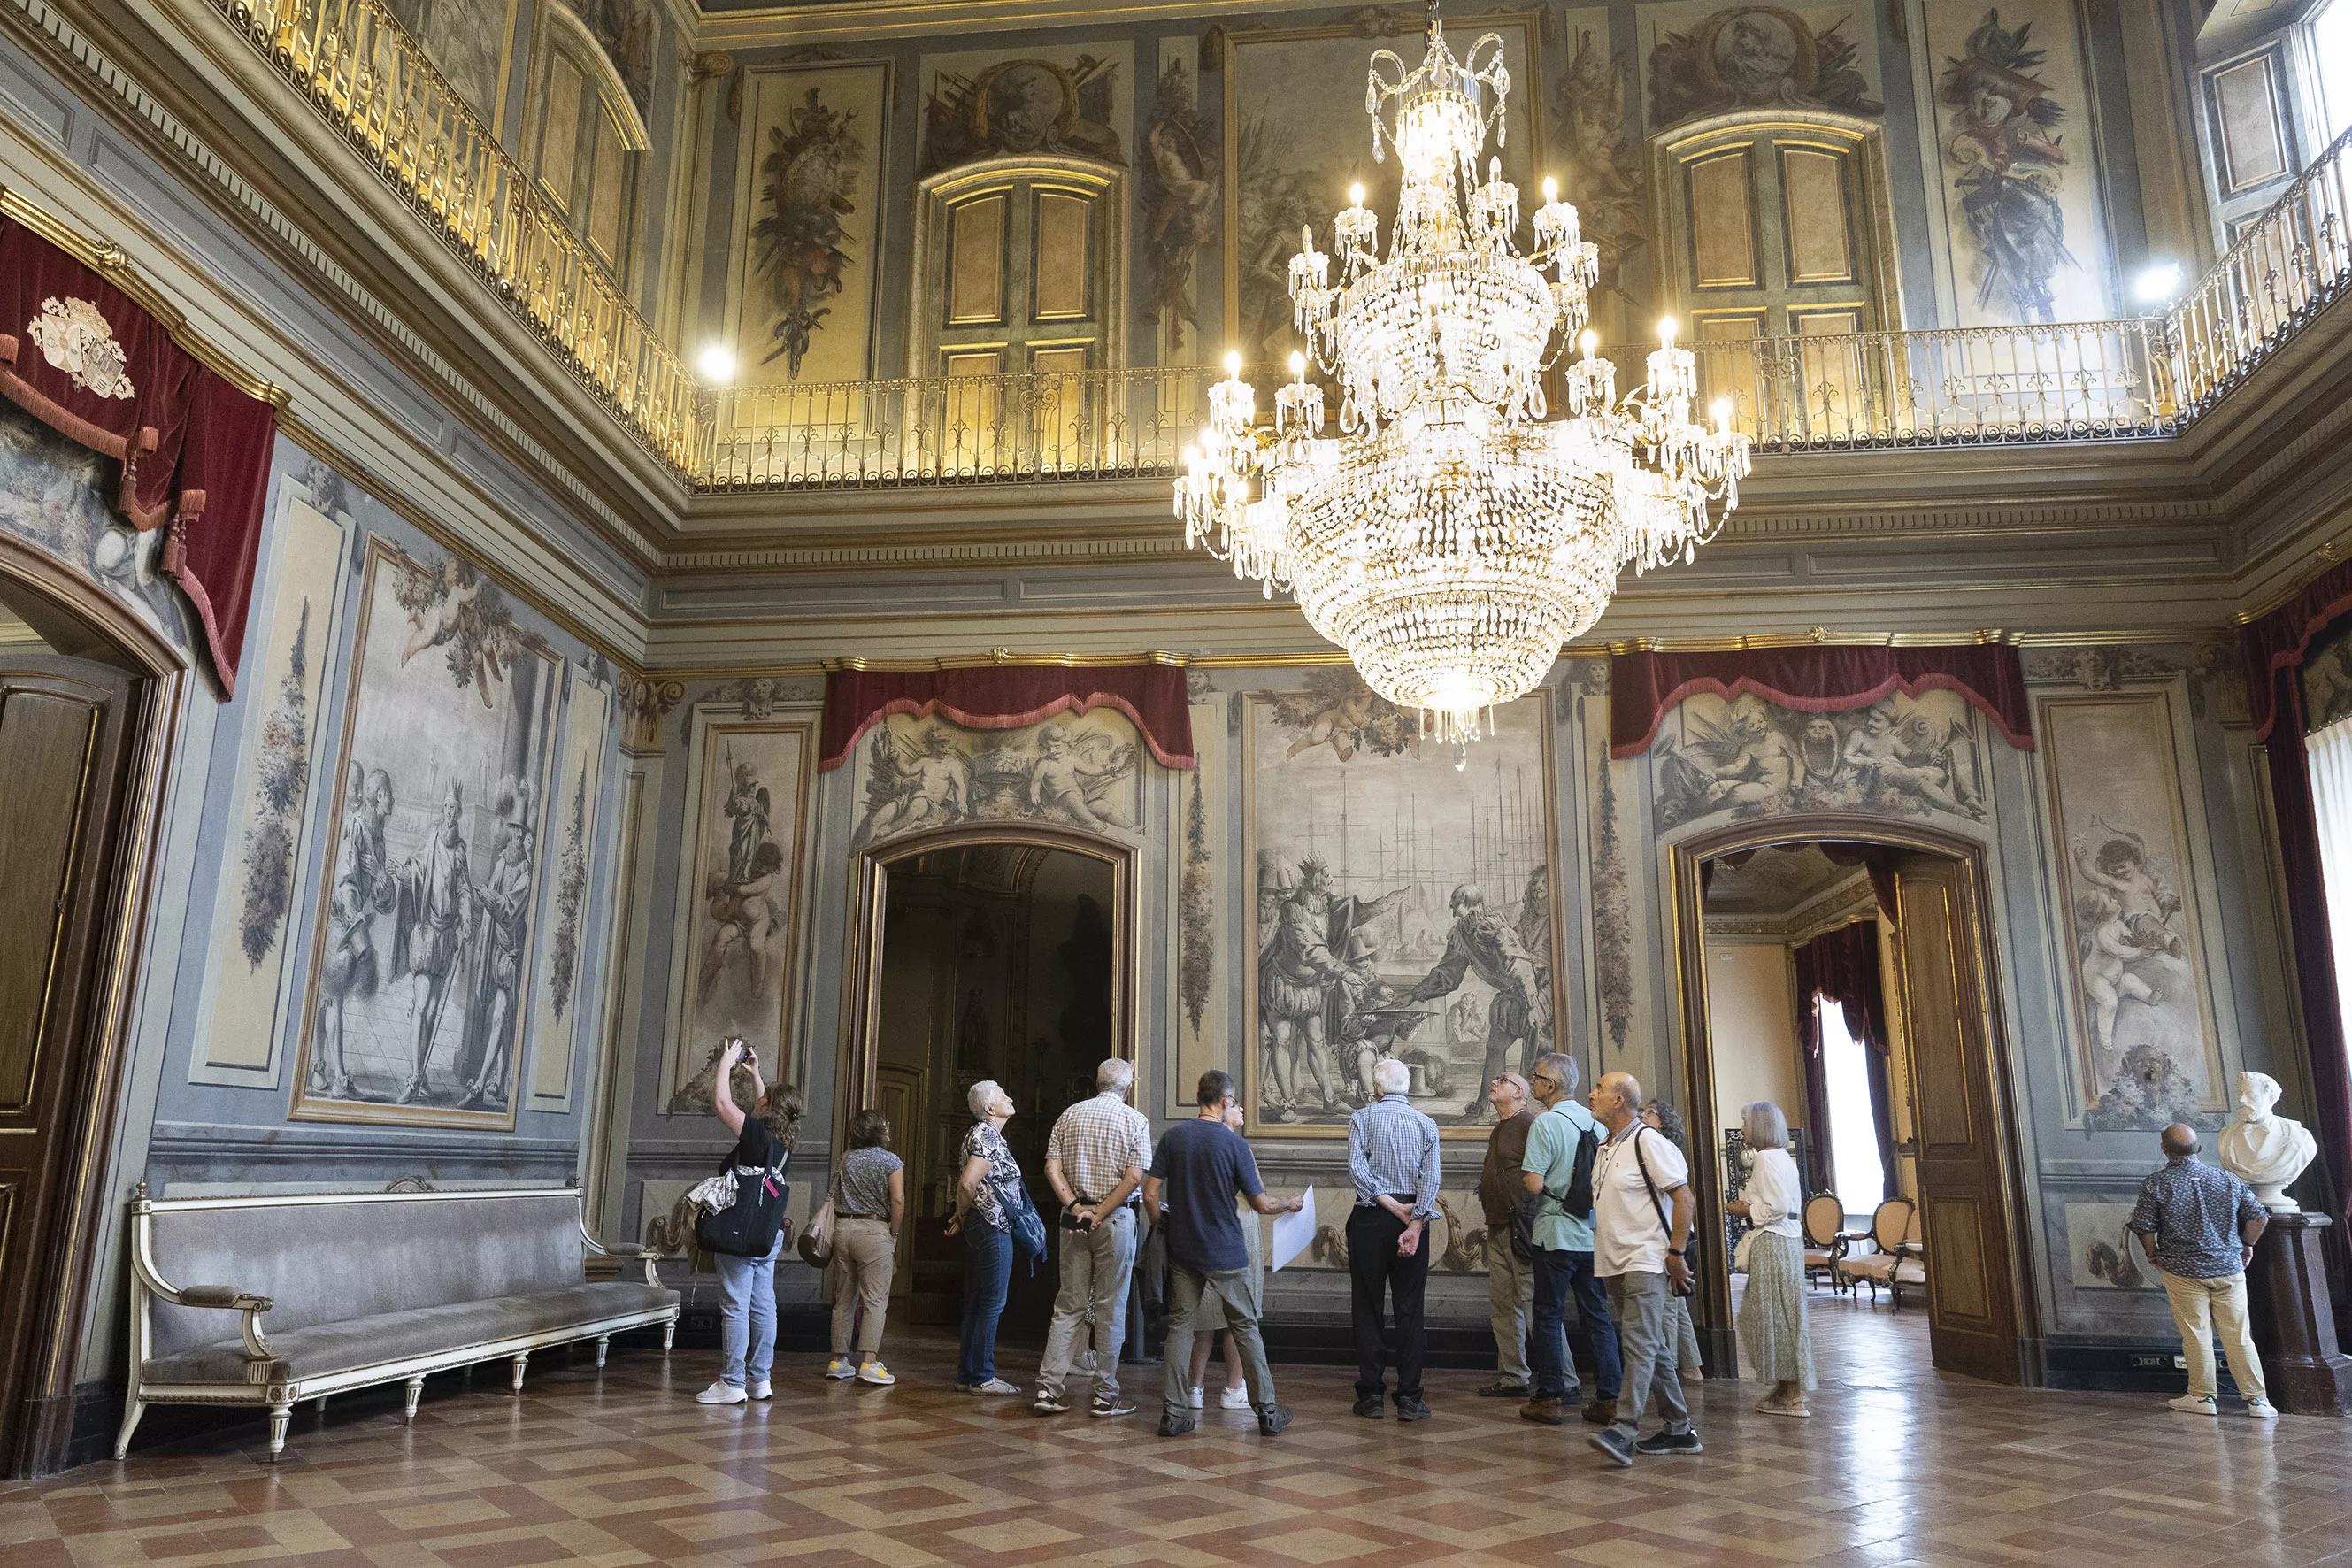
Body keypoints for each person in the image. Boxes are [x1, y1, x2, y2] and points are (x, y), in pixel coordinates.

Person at [1145, 1069, 1303, 1437]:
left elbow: (1151, 1194)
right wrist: (1290, 1203)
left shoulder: (1173, 1137)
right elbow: (1261, 1203)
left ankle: (1174, 1413)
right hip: (1227, 1252)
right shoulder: (1235, 1145)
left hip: (1184, 1250)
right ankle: (1266, 1411)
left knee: (1181, 1328)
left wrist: (1162, 1225)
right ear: (1225, 1102)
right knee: (1245, 1326)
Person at [1586, 1071, 1700, 1465]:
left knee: (1637, 1343)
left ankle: (1623, 1430)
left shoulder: (1649, 1142)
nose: (1592, 1094)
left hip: (1646, 1259)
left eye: (1599, 1089)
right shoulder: (1605, 1147)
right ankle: (1679, 1429)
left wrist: (1676, 1253)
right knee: (1651, 1346)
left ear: (1618, 1101)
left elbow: (1684, 1198)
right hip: (1614, 1261)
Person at [2127, 1122, 2275, 1418]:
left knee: (2196, 1334)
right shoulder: (2227, 1179)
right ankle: (2258, 1401)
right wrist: (2246, 1245)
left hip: (2183, 1270)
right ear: (2199, 1148)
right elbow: (2259, 1218)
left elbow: (2144, 1227)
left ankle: (2201, 1397)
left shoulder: (2156, 1184)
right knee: (2239, 1335)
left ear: (2164, 1150)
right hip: (2229, 1268)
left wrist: (2152, 1253)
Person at [1034, 1058, 1154, 1418]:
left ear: (1097, 1082)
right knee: (1110, 1308)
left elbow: (1051, 1168)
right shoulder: (1135, 1120)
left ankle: (1047, 1389)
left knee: (1067, 1305)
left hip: (1073, 1217)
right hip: (1113, 1220)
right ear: (1128, 1088)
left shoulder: (1068, 1115)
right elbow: (1134, 1178)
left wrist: (1076, 1206)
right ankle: (1104, 1395)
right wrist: (1100, 1213)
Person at [697, 1040, 802, 1405]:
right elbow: (763, 1105)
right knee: (763, 1306)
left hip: (739, 1233)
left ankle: (731, 1382)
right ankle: (760, 1380)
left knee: (735, 1307)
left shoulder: (757, 1136)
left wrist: (725, 1064)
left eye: (764, 1098)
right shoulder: (785, 1141)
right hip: (766, 1234)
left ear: (769, 1109)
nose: (759, 1100)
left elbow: (722, 1104)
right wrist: (757, 1074)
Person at [1519, 1051, 1620, 1427]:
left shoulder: (1546, 1123)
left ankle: (1549, 1398)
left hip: (1555, 1232)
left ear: (1550, 1084)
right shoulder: (1597, 1122)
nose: (1532, 1083)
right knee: (1598, 1316)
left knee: (1547, 1315)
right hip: (1591, 1235)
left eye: (1535, 1077)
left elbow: (1533, 1182)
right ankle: (1609, 1398)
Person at [1347, 1057, 1441, 1420]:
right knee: (1410, 1309)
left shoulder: (1362, 1118)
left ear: (1376, 1089)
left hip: (1371, 1219)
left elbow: (1358, 1170)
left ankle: (1371, 1395)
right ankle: (1410, 1398)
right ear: (1408, 1087)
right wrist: (1413, 1222)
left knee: (1367, 1307)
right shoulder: (1426, 1124)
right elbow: (1430, 1182)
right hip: (1412, 1220)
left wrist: (1387, 1203)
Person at [1726, 1102, 1814, 1416]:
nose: (1743, 1130)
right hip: (1786, 1242)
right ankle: (1784, 1389)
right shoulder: (1781, 1156)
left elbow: (1775, 1207)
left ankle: (1792, 1395)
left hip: (1774, 1242)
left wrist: (1743, 1209)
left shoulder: (1765, 1158)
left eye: (1746, 1124)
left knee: (1769, 1317)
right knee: (1777, 1316)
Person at [947, 1080, 1026, 1395]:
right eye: (1002, 1095)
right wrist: (964, 1215)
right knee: (992, 1303)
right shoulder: (987, 1134)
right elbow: (968, 1183)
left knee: (979, 1303)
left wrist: (960, 1215)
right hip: (991, 1225)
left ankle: (968, 1374)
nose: (1010, 1097)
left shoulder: (980, 1134)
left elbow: (967, 1185)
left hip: (983, 1224)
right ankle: (982, 1377)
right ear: (990, 1108)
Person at [1187, 1099, 1259, 1410]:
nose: (1242, 1110)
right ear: (1221, 1110)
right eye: (1235, 1105)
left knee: (1203, 1316)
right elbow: (1258, 1192)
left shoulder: (1193, 1143)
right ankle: (1233, 1388)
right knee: (1237, 1315)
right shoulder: (1236, 1146)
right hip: (1237, 1228)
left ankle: (1194, 1389)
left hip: (1201, 1230)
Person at [826, 1108, 905, 1387]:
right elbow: (897, 1201)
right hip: (874, 1231)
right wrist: (894, 1234)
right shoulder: (890, 1161)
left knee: (844, 1298)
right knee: (875, 1300)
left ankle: (838, 1360)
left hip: (843, 1229)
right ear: (879, 1130)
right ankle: (869, 1363)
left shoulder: (845, 1158)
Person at [1477, 1072, 1539, 1398]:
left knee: (1533, 1306)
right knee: (1503, 1306)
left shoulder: (1530, 1124)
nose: (1495, 1082)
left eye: (1503, 1080)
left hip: (1522, 1229)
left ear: (1520, 1093)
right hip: (1498, 1226)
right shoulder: (1499, 1129)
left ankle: (1562, 1381)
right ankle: (1514, 1377)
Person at [1640, 1100, 1706, 1383]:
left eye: (1650, 1112)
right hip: (1674, 1234)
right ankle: (1691, 1367)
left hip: (1668, 1237)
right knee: (1677, 1307)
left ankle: (1667, 1370)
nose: (1643, 1114)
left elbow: (1679, 1198)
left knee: (1668, 1307)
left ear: (1664, 1122)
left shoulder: (1663, 1150)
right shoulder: (1664, 1149)